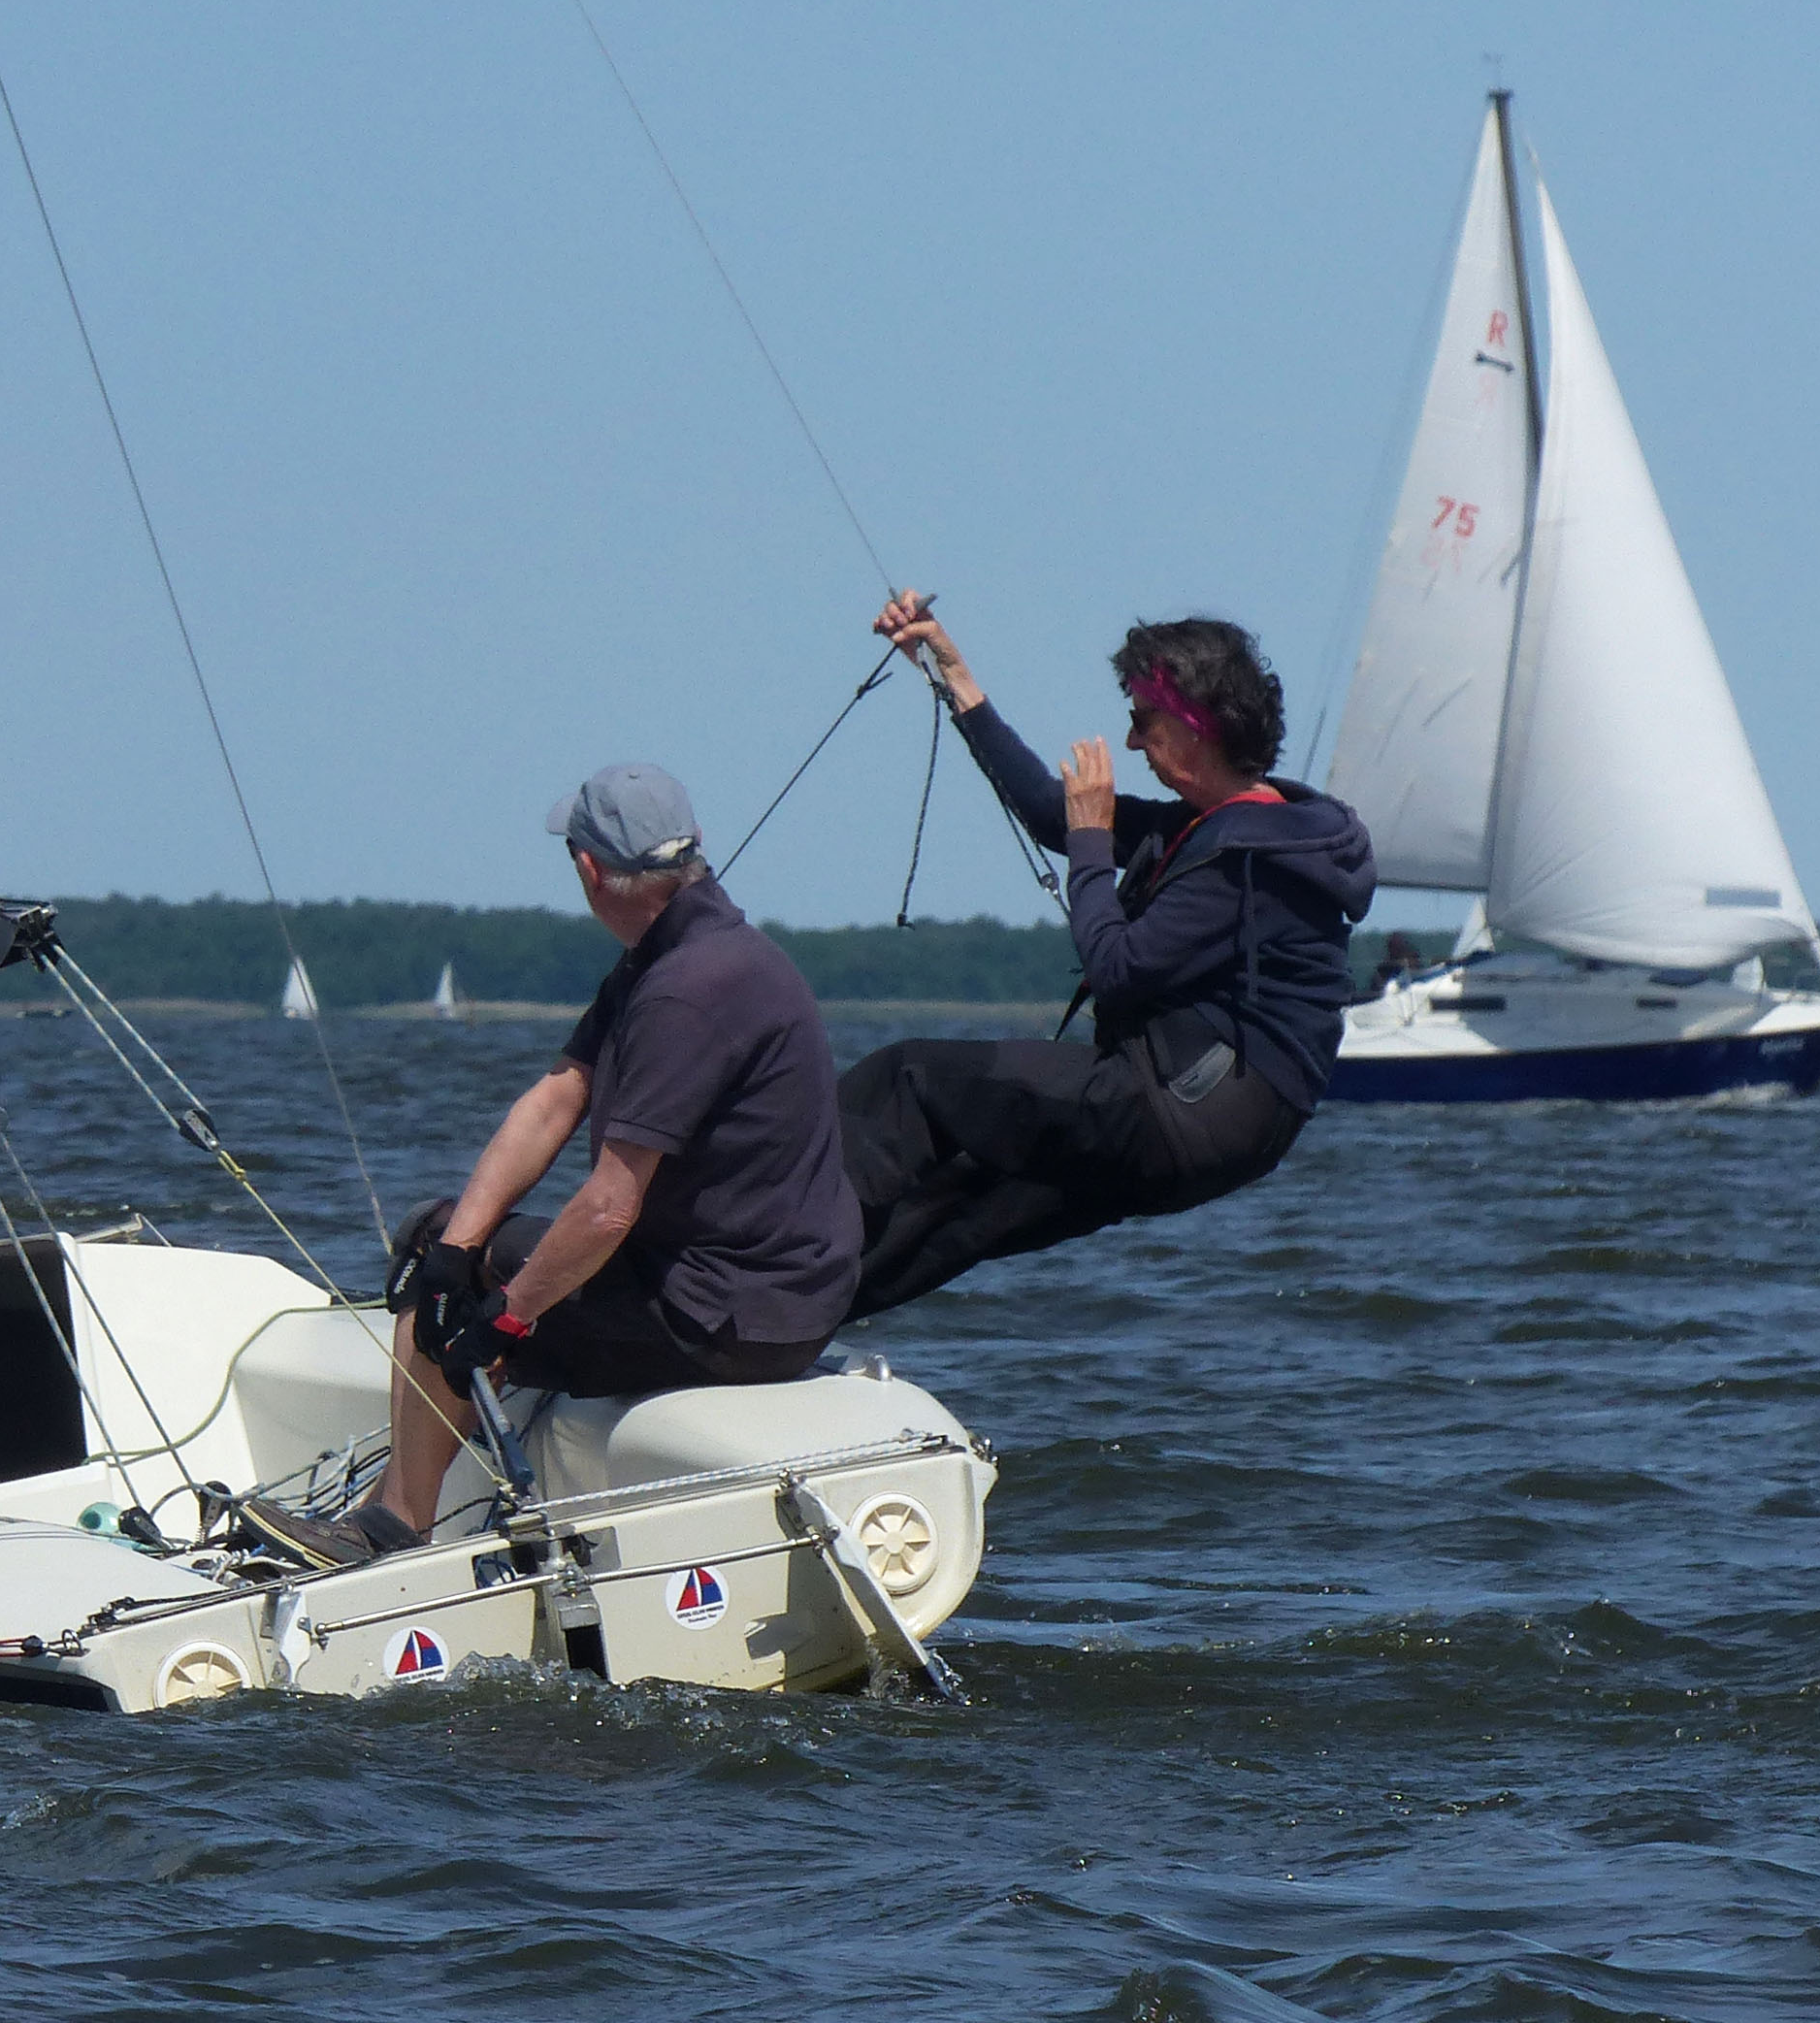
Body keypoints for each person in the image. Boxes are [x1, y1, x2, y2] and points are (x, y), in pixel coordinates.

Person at [245, 765, 860, 1567]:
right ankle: (429, 1470)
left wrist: (501, 1314)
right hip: (771, 1291)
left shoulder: (686, 991)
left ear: (588, 867)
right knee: (446, 1255)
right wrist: (457, 1246)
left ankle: (390, 1527)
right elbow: (559, 1095)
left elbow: (609, 1207)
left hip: (735, 1316)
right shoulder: (683, 953)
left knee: (450, 1297)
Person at [838, 595, 1373, 1318]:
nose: (1129, 743)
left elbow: (1119, 966)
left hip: (1179, 1112)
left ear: (1193, 726)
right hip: (1209, 1130)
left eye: (1142, 722)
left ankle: (757, 1239)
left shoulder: (1250, 855)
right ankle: (775, 1325)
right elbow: (1047, 812)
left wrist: (1093, 842)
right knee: (960, 1208)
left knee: (907, 1077)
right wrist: (956, 678)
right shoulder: (1220, 825)